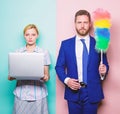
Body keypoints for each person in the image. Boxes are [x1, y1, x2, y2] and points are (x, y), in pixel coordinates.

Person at [55, 10, 109, 114]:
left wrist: (104, 71)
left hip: (92, 92)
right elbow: (59, 67)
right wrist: (67, 81)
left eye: (85, 22)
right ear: (75, 24)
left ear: (90, 24)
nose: (82, 25)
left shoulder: (99, 44)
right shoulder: (66, 45)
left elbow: (105, 65)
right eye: (79, 22)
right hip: (73, 92)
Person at [8, 24, 51, 114]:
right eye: (27, 35)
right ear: (24, 36)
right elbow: (11, 75)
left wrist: (45, 76)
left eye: (33, 34)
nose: (30, 37)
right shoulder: (17, 53)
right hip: (21, 93)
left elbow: (47, 76)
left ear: (37, 35)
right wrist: (11, 76)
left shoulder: (44, 53)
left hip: (39, 94)